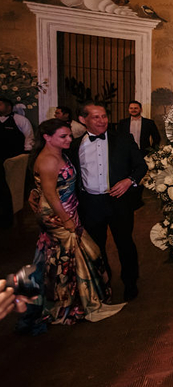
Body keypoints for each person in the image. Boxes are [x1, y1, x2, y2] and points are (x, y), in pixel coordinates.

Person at [18, 119, 124, 331]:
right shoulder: (48, 159)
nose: (69, 139)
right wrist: (66, 220)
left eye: (69, 135)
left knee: (69, 256)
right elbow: (50, 194)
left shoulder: (59, 153)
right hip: (57, 216)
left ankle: (75, 301)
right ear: (47, 137)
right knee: (70, 257)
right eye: (63, 136)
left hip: (68, 211)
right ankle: (69, 306)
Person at [67, 102, 146, 302]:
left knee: (125, 243)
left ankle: (131, 283)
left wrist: (129, 181)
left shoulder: (123, 140)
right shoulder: (74, 146)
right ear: (83, 120)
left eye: (104, 116)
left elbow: (141, 166)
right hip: (90, 204)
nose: (102, 121)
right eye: (96, 117)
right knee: (95, 247)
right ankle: (103, 283)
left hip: (119, 201)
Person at [1, 96, 34, 227]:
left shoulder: (20, 120)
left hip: (14, 160)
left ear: (9, 107)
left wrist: (26, 155)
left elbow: (29, 137)